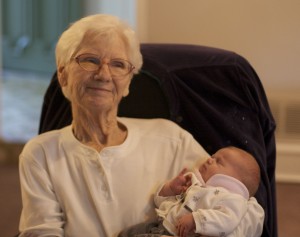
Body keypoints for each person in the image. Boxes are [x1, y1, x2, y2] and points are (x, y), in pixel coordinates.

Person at [18, 14, 263, 237]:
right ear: (63, 74)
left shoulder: (170, 139)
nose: (104, 74)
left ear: (128, 83)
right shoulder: (41, 153)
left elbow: (244, 210)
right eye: (90, 60)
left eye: (118, 64)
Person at [118, 146, 264, 237]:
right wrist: (170, 189)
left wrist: (196, 220)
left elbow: (226, 220)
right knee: (126, 233)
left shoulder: (232, 199)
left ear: (234, 181)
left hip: (174, 234)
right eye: (213, 156)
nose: (209, 160)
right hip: (159, 225)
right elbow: (160, 202)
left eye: (218, 161)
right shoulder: (194, 183)